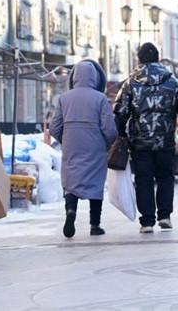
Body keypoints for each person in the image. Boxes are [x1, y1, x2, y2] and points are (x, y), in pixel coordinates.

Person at [113, 43, 178, 233]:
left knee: (143, 179)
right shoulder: (172, 82)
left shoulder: (131, 83)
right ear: (157, 58)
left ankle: (146, 221)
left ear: (138, 59)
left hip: (140, 141)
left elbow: (120, 111)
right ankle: (164, 216)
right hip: (165, 140)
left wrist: (120, 134)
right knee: (165, 176)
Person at [49, 59, 117, 238]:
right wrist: (107, 143)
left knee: (71, 183)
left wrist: (66, 139)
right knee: (95, 184)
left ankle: (71, 210)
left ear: (74, 77)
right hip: (94, 146)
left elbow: (54, 127)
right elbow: (109, 129)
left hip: (72, 145)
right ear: (95, 78)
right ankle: (95, 225)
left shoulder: (64, 98)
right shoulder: (100, 98)